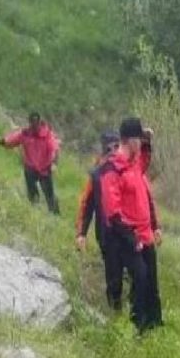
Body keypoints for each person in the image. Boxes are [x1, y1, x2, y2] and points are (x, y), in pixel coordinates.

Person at [99, 117, 162, 332]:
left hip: (145, 232)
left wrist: (148, 142)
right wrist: (131, 238)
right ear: (129, 141)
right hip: (127, 235)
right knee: (140, 278)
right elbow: (112, 212)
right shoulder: (112, 170)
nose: (141, 143)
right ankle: (138, 326)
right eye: (139, 139)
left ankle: (153, 323)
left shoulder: (135, 163)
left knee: (151, 279)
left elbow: (144, 161)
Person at [76, 130, 123, 311]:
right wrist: (81, 233)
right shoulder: (96, 175)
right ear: (103, 150)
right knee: (113, 274)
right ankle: (115, 311)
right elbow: (86, 205)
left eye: (116, 146)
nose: (112, 150)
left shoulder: (127, 168)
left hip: (129, 231)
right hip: (106, 233)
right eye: (109, 147)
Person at [0, 112, 61, 214]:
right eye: (32, 123)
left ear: (39, 122)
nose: (34, 126)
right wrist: (2, 141)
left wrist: (54, 163)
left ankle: (55, 216)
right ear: (30, 123)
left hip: (45, 169)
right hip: (30, 168)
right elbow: (12, 140)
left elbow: (55, 149)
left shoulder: (47, 135)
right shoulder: (25, 134)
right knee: (32, 194)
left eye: (36, 123)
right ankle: (34, 212)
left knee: (50, 195)